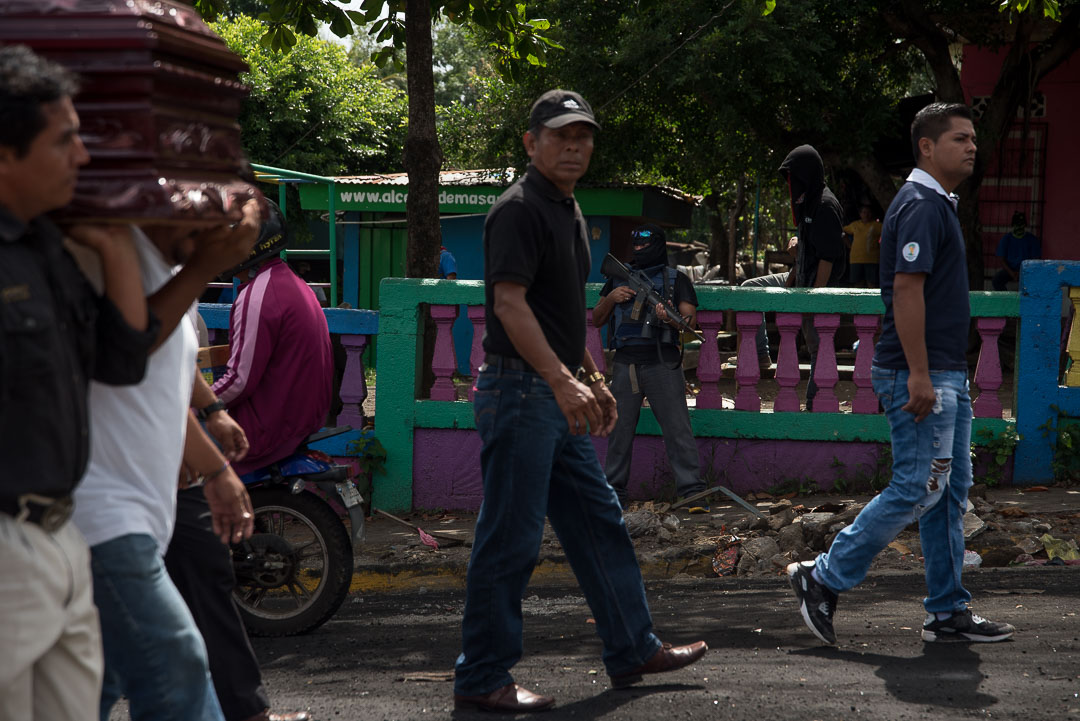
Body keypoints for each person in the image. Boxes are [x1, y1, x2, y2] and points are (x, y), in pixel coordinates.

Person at [453, 89, 707, 713]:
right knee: (509, 539)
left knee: (599, 520)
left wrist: (591, 378)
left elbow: (562, 313)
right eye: (561, 135)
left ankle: (631, 646)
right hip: (519, 391)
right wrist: (563, 381)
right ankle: (482, 675)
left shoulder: (567, 208)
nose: (574, 146)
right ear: (530, 142)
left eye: (583, 136)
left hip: (553, 390)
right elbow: (509, 306)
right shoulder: (517, 210)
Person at [787, 102, 1015, 646]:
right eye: (960, 138)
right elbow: (907, 292)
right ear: (928, 147)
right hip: (923, 374)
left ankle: (946, 612)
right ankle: (821, 577)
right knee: (919, 486)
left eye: (973, 138)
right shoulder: (917, 206)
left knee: (949, 492)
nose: (971, 146)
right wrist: (920, 375)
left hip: (945, 373)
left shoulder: (938, 204)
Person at [0, 44, 156, 721]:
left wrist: (117, 247)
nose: (83, 157)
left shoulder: (43, 249)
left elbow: (122, 360)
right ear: (5, 155)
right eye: (65, 140)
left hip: (62, 537)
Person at [71, 207, 261, 721]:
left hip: (143, 510)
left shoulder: (159, 266)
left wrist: (213, 448)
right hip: (101, 513)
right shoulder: (106, 254)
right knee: (176, 664)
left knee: (94, 686)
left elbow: (161, 380)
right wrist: (203, 267)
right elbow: (132, 349)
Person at [211, 200, 335, 475]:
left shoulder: (258, 295)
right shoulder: (292, 283)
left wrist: (196, 404)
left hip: (270, 428)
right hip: (300, 419)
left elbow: (239, 381)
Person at [592, 223, 706, 511]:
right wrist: (611, 298)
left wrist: (669, 318)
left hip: (662, 363)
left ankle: (692, 492)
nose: (640, 250)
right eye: (636, 246)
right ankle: (613, 495)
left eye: (645, 245)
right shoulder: (619, 278)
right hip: (626, 364)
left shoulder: (675, 279)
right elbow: (596, 318)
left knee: (678, 429)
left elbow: (689, 321)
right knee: (619, 432)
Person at [742, 146, 845, 403]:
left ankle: (814, 404)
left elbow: (828, 258)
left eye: (794, 177)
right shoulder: (805, 200)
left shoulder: (825, 206)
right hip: (798, 274)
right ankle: (761, 353)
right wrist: (796, 244)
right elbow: (808, 246)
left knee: (817, 347)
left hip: (818, 284)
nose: (791, 184)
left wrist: (812, 299)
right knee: (749, 289)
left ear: (808, 175)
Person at [993, 210, 1040, 291]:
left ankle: (1026, 301)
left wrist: (1021, 272)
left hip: (1027, 271)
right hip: (1009, 270)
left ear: (1025, 225)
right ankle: (1005, 300)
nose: (1019, 227)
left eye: (1021, 225)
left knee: (1036, 281)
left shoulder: (1032, 240)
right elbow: (1001, 259)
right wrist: (1012, 273)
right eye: (1017, 225)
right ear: (1013, 225)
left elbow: (1035, 260)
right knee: (996, 280)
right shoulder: (1006, 239)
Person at [843, 204, 883, 288]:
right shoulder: (855, 225)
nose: (866, 214)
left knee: (872, 284)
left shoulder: (877, 225)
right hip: (856, 259)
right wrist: (848, 244)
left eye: (868, 212)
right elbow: (842, 232)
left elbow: (886, 235)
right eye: (864, 212)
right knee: (857, 285)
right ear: (860, 214)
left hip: (872, 259)